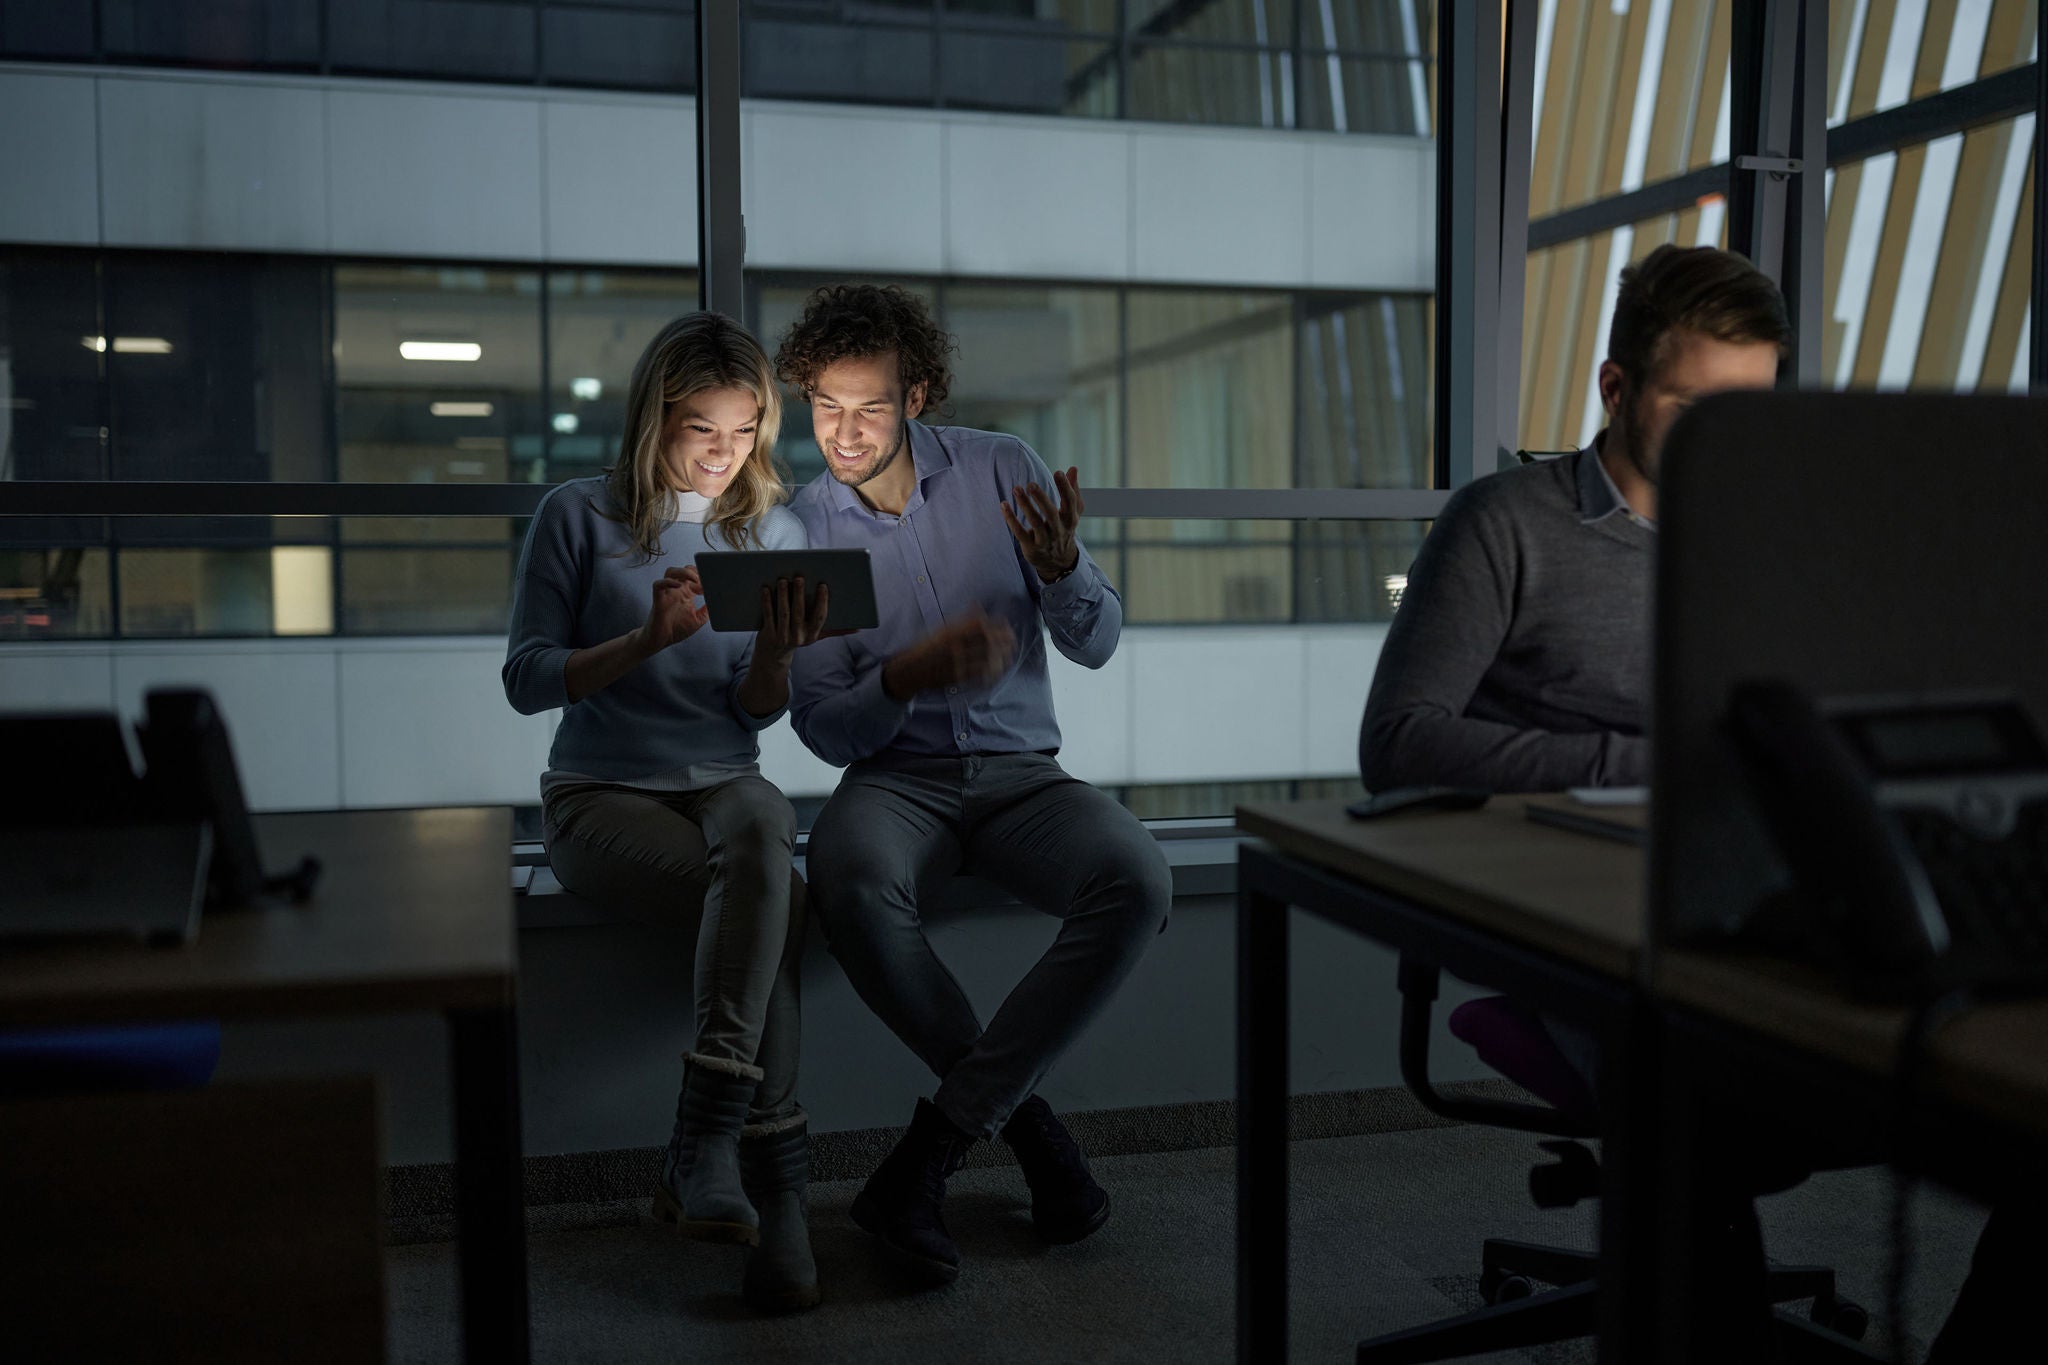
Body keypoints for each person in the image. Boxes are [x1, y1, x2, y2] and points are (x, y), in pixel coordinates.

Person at [776, 283, 1171, 1287]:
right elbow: (823, 729)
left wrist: (1060, 568)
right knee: (849, 883)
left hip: (1019, 776)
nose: (843, 432)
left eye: (868, 406)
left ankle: (931, 1153)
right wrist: (905, 676)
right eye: (824, 406)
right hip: (891, 781)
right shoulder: (799, 532)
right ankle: (1030, 1134)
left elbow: (1098, 643)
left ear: (917, 397)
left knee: (1138, 878)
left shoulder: (1004, 469)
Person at [502, 311, 835, 1314]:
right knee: (765, 906)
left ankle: (702, 1150)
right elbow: (525, 682)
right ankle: (776, 1206)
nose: (725, 455)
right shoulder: (577, 516)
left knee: (762, 822)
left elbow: (755, 711)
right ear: (657, 420)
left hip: (722, 778)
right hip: (600, 793)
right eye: (702, 431)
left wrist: (777, 653)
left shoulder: (771, 527)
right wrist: (642, 640)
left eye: (744, 432)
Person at [1359, 242, 1787, 798]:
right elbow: (1397, 745)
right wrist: (1653, 766)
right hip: (1535, 864)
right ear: (1615, 389)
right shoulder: (1501, 523)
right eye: (1692, 408)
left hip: (1718, 853)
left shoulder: (1772, 541)